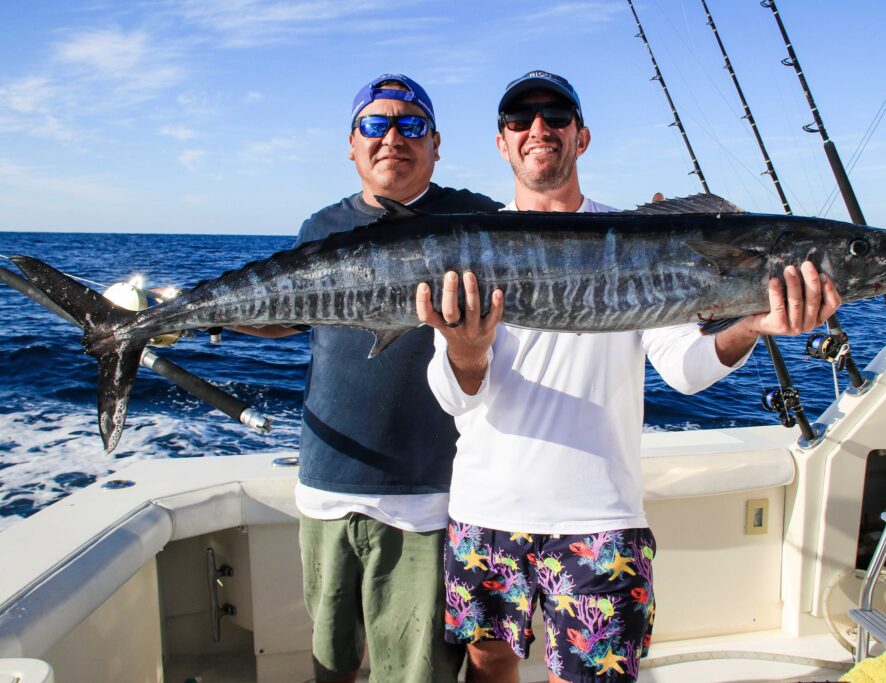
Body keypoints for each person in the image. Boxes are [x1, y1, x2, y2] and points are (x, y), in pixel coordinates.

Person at [415, 70, 841, 683]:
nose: (539, 128)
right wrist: (468, 350)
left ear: (581, 137)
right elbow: (453, 396)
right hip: (485, 510)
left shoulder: (643, 241)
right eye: (520, 119)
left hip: (601, 520)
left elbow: (686, 369)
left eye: (557, 116)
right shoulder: (468, 248)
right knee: (487, 667)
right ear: (502, 143)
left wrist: (750, 325)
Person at [240, 74, 500, 683]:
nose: (392, 138)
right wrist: (186, 316)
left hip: (429, 495)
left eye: (411, 125)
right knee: (331, 665)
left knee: (415, 672)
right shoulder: (322, 226)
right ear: (351, 143)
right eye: (375, 124)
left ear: (436, 144)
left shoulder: (481, 217)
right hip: (326, 483)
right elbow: (287, 319)